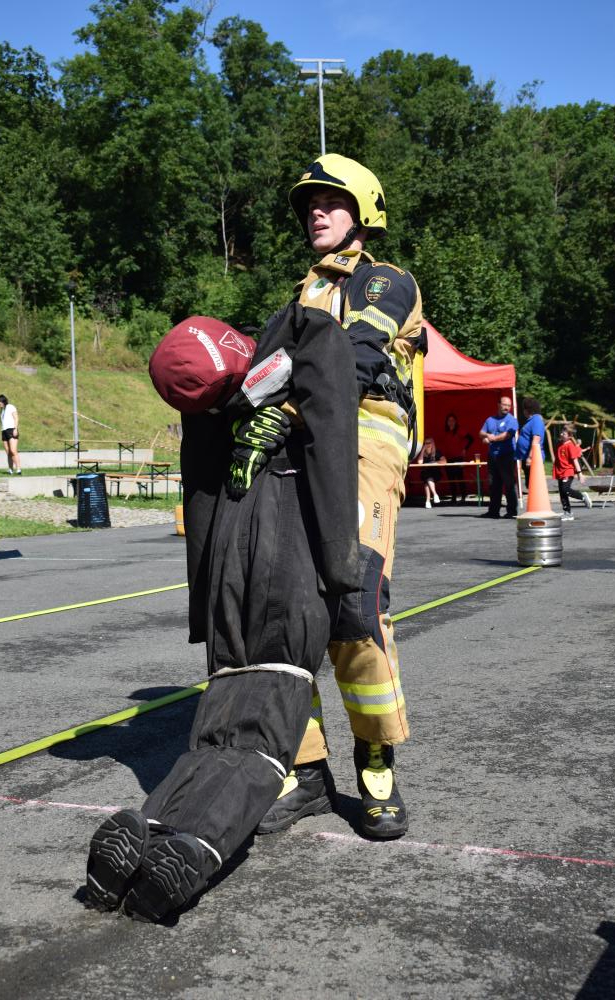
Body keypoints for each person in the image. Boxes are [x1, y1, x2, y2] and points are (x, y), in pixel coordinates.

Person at [86, 303, 362, 922]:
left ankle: (151, 825)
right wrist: (343, 574)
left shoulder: (212, 426)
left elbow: (201, 508)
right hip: (287, 579)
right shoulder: (307, 351)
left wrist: (204, 610)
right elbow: (335, 453)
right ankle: (196, 846)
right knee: (262, 742)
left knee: (214, 732)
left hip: (225, 588)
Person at [256, 154, 425, 840]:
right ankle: (306, 769)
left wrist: (279, 398)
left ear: (362, 211)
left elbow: (353, 355)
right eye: (309, 205)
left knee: (355, 605)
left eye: (330, 200)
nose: (315, 212)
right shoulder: (296, 301)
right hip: (296, 452)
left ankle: (376, 761)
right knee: (286, 613)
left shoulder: (384, 280)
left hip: (362, 448)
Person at [479, 396, 518, 518]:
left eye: (509, 405)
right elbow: (481, 433)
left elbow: (508, 435)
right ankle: (493, 511)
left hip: (506, 455)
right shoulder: (490, 419)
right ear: (499, 404)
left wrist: (492, 439)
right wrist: (487, 436)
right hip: (493, 456)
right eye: (505, 404)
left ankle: (511, 511)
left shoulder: (512, 420)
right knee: (493, 484)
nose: (507, 407)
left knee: (509, 483)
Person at [553, 424, 593, 520]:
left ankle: (582, 496)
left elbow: (575, 460)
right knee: (562, 493)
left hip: (567, 471)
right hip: (560, 471)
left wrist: (580, 473)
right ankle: (567, 512)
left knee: (565, 490)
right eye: (561, 432)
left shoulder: (570, 446)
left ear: (570, 436)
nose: (561, 434)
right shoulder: (559, 444)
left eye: (564, 433)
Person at [515, 397, 546, 490]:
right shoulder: (531, 421)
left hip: (533, 458)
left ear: (528, 410)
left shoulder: (536, 420)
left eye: (524, 409)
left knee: (533, 484)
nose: (523, 411)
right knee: (529, 483)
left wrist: (530, 457)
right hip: (525, 457)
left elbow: (536, 439)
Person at [441, 412, 473, 503]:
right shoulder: (446, 432)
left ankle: (463, 497)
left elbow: (471, 439)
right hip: (448, 458)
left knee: (460, 478)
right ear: (447, 422)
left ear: (455, 422)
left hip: (458, 458)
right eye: (449, 420)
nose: (451, 422)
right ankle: (454, 497)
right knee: (451, 479)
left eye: (453, 420)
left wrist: (465, 449)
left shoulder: (460, 430)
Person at [417, 437, 446, 508]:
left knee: (427, 480)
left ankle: (428, 501)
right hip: (425, 473)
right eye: (426, 443)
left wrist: (435, 463)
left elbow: (444, 461)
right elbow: (419, 462)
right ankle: (435, 494)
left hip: (435, 473)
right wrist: (423, 450)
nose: (427, 444)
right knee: (427, 477)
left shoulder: (437, 452)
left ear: (432, 443)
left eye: (429, 443)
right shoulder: (423, 453)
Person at [0, 394, 21, 475]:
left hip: (11, 430)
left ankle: (18, 469)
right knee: (8, 452)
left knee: (13, 450)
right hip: (4, 431)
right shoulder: (2, 410)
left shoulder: (10, 407)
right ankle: (10, 469)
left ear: (3, 401)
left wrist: (15, 429)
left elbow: (16, 418)